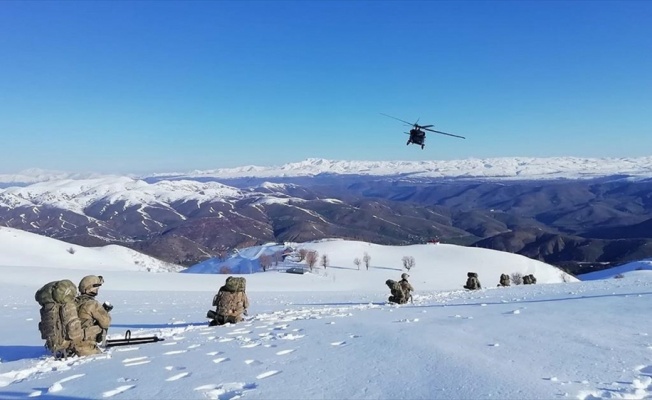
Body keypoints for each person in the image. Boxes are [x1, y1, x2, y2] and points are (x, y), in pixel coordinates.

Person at [74, 275, 112, 356]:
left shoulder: (73, 302)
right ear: (90, 288)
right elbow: (106, 322)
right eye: (96, 287)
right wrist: (105, 311)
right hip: (85, 348)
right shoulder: (92, 304)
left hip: (69, 346)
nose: (97, 289)